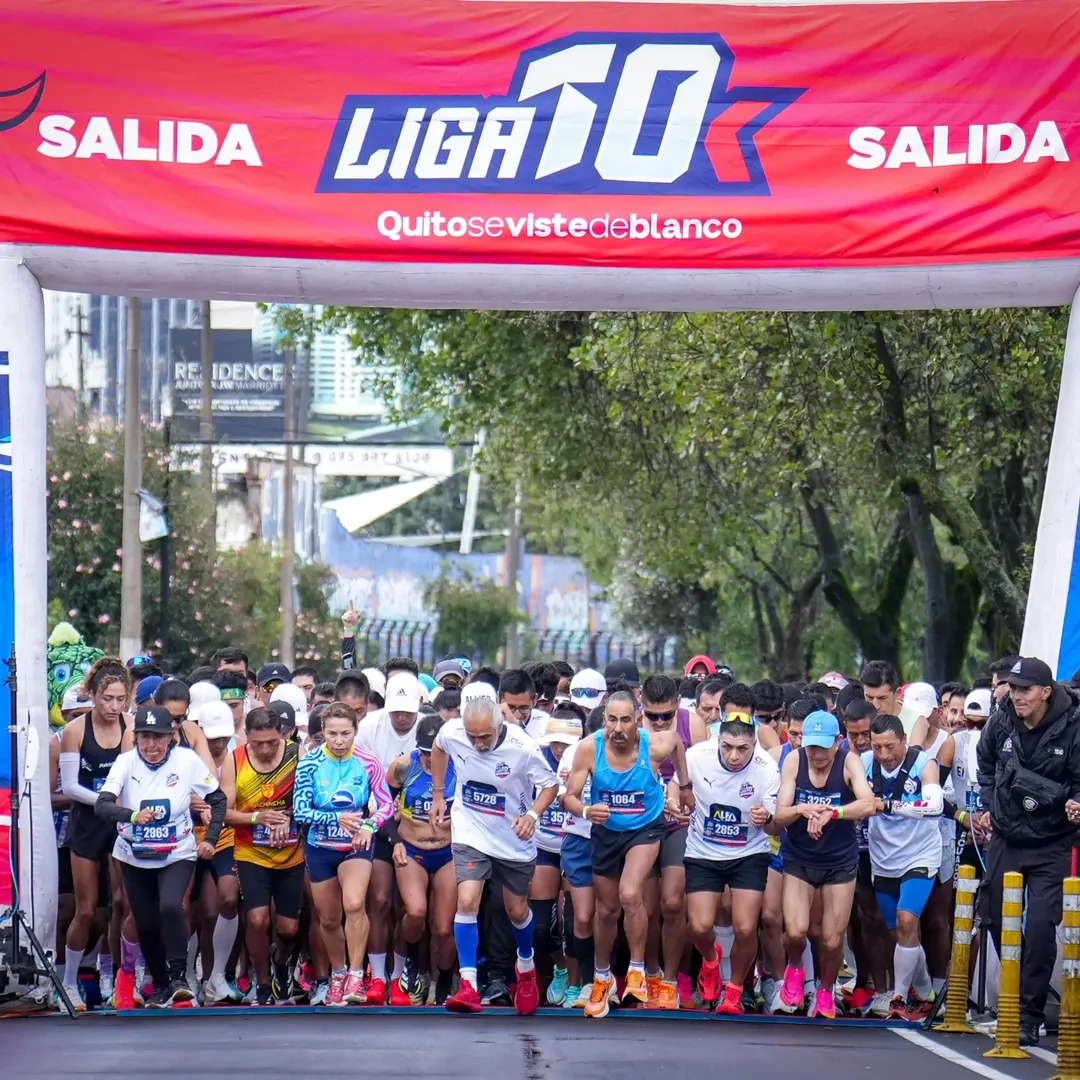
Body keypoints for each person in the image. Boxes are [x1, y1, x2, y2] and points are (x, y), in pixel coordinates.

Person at [560, 691, 693, 1019]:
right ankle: (602, 978)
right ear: (604, 720)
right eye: (612, 720)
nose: (618, 728)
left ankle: (637, 969)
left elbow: (676, 741)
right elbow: (569, 797)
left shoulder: (654, 745)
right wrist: (588, 810)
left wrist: (685, 785)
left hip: (645, 828)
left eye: (625, 720)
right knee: (605, 911)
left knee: (630, 893)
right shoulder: (590, 748)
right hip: (606, 831)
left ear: (637, 721)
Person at [430, 696, 560, 1015]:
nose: (477, 743)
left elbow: (550, 786)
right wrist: (438, 794)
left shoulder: (523, 747)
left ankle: (526, 964)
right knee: (468, 900)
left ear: (499, 726)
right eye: (472, 736)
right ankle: (469, 985)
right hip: (471, 828)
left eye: (484, 736)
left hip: (512, 835)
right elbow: (438, 747)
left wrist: (532, 815)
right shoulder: (453, 731)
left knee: (516, 910)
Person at [976, 657, 1080, 1046]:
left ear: (1045, 693)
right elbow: (985, 761)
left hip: (1053, 842)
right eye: (1013, 688)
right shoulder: (1000, 719)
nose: (1016, 695)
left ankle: (1029, 1013)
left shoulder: (1074, 728)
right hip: (1006, 836)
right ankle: (1016, 993)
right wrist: (986, 802)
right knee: (994, 915)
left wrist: (1076, 802)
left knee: (1038, 927)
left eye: (1024, 689)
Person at [95, 704, 227, 1008]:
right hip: (134, 854)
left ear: (171, 738)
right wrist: (131, 815)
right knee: (145, 919)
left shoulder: (186, 760)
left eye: (159, 737)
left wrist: (211, 839)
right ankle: (160, 983)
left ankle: (179, 977)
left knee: (171, 906)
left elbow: (218, 800)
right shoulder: (126, 763)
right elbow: (102, 805)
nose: (152, 746)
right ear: (136, 739)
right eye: (145, 738)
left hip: (176, 851)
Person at [773, 710, 875, 1019]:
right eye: (811, 747)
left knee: (832, 939)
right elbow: (779, 814)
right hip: (800, 858)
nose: (817, 754)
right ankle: (794, 969)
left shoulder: (849, 761)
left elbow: (868, 803)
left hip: (838, 862)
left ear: (838, 742)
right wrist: (802, 809)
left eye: (824, 747)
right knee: (795, 930)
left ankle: (825, 990)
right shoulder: (794, 760)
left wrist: (834, 812)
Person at [294, 701, 393, 1006]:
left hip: (355, 847)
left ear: (355, 732)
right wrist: (333, 818)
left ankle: (355, 974)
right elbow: (300, 810)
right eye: (333, 734)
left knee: (353, 904)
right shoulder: (309, 763)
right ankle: (337, 974)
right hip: (320, 846)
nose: (339, 741)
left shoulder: (368, 762)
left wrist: (368, 826)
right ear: (322, 733)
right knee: (328, 919)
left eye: (345, 734)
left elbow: (386, 804)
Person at [684, 716, 780, 1015]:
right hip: (703, 850)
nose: (734, 756)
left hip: (748, 852)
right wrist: (676, 800)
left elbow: (775, 827)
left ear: (754, 744)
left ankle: (735, 989)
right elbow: (678, 785)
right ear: (717, 742)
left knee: (746, 926)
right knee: (699, 926)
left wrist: (767, 818)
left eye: (742, 748)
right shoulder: (696, 756)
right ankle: (711, 961)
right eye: (727, 747)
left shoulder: (766, 768)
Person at [220, 705, 305, 1006]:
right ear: (246, 737)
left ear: (282, 733)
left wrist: (287, 817)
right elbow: (225, 812)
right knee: (256, 920)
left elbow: (311, 803)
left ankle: (281, 961)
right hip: (250, 852)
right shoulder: (236, 760)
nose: (266, 748)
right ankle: (263, 982)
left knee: (288, 928)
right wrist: (259, 818)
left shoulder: (298, 755)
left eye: (272, 741)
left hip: (292, 853)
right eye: (258, 743)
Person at [59, 657, 130, 1007]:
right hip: (88, 823)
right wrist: (105, 801)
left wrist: (123, 809)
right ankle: (68, 982)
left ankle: (121, 976)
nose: (114, 707)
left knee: (122, 904)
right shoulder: (75, 731)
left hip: (121, 822)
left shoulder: (130, 728)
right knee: (85, 909)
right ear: (93, 695)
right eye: (107, 699)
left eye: (120, 699)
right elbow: (70, 787)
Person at [862, 713, 943, 1020]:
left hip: (920, 855)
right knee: (900, 934)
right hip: (883, 859)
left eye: (890, 746)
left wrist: (891, 805)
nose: (885, 755)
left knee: (908, 921)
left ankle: (898, 998)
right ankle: (925, 994)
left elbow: (934, 806)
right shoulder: (865, 762)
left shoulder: (924, 764)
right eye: (878, 746)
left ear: (904, 741)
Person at [355, 670, 422, 1004]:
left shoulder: (427, 728)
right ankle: (377, 976)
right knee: (378, 901)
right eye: (396, 711)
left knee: (404, 906)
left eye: (407, 712)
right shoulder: (369, 726)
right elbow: (359, 774)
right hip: (375, 819)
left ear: (419, 707)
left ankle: (398, 977)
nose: (401, 717)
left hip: (413, 825)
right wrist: (380, 808)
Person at [387, 713, 457, 1006]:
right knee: (415, 912)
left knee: (443, 927)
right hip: (412, 848)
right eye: (426, 753)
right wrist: (395, 842)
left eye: (435, 753)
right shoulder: (404, 766)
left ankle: (443, 978)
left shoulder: (460, 766)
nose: (430, 760)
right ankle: (412, 962)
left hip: (447, 851)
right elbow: (382, 805)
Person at [189, 701, 240, 1006]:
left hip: (226, 838)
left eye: (224, 736)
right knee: (194, 912)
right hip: (188, 839)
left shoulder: (239, 755)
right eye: (213, 737)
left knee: (226, 902)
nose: (219, 743)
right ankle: (187, 975)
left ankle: (216, 976)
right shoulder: (184, 756)